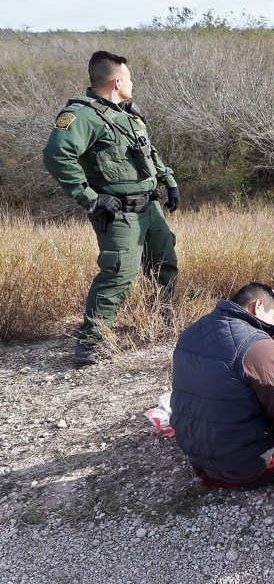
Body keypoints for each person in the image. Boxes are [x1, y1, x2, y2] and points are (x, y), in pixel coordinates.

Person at [42, 50, 181, 366]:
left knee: (165, 265)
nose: (133, 84)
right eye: (129, 78)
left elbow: (147, 151)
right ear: (117, 82)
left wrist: (168, 180)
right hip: (118, 212)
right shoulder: (82, 116)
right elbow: (56, 155)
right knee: (118, 273)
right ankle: (90, 342)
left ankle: (163, 320)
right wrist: (89, 197)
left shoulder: (127, 113)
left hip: (150, 207)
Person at [171, 283, 274, 489]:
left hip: (199, 461)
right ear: (258, 306)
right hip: (248, 469)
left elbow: (258, 364)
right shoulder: (257, 344)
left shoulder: (194, 330)